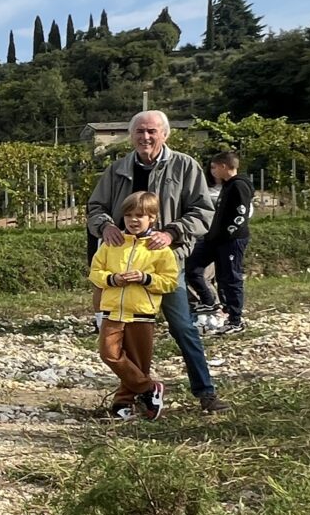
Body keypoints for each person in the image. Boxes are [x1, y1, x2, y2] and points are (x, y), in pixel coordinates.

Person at [85, 111, 230, 413]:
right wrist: (105, 226)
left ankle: (206, 393)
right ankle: (134, 397)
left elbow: (203, 211)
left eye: (152, 131)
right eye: (139, 131)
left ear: (165, 134)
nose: (145, 137)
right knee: (125, 335)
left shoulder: (185, 166)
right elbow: (96, 207)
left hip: (165, 262)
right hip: (123, 266)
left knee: (182, 327)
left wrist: (172, 232)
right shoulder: (117, 169)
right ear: (131, 135)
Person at [90, 192, 180, 419]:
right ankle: (149, 388)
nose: (133, 220)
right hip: (112, 311)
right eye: (128, 215)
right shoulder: (112, 244)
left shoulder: (160, 249)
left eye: (140, 215)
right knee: (109, 354)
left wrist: (145, 278)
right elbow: (95, 272)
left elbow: (170, 282)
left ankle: (123, 403)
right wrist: (112, 279)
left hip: (142, 312)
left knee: (138, 362)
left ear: (153, 218)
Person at [186, 150, 251, 335]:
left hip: (231, 240)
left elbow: (241, 213)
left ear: (224, 166)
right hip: (214, 239)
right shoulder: (227, 185)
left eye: (214, 167)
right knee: (192, 266)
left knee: (230, 278)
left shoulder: (239, 185)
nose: (212, 171)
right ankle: (208, 302)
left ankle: (235, 320)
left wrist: (229, 233)